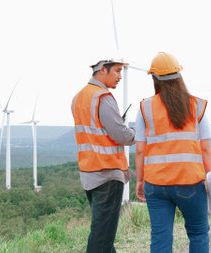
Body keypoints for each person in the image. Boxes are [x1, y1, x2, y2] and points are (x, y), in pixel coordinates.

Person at [135, 52, 211, 253]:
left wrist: (140, 180)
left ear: (155, 78)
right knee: (198, 233)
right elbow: (205, 148)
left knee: (160, 238)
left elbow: (140, 150)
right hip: (190, 183)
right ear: (179, 76)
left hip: (156, 185)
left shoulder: (145, 107)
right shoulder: (196, 105)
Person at [71, 58, 135, 253]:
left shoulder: (79, 98)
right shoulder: (103, 98)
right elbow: (120, 135)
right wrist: (136, 134)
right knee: (101, 237)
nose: (120, 76)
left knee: (103, 234)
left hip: (89, 175)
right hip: (107, 175)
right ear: (101, 70)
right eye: (116, 71)